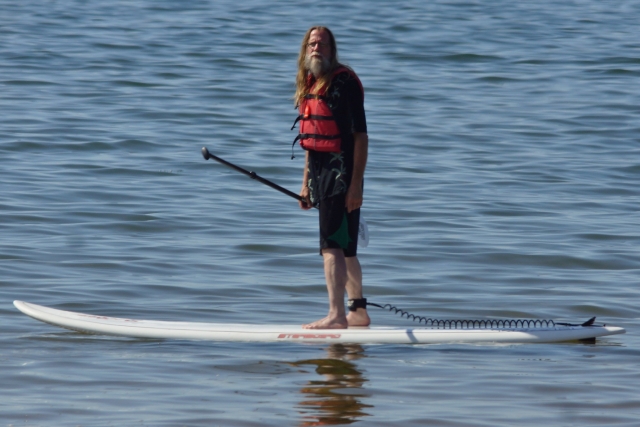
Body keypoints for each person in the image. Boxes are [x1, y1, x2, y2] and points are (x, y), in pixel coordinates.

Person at [293, 26, 370, 329]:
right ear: (305, 50)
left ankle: (336, 314)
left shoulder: (344, 83)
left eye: (322, 45)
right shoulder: (311, 84)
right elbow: (311, 141)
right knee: (346, 247)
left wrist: (355, 186)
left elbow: (361, 138)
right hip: (321, 176)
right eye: (312, 44)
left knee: (330, 247)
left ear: (332, 50)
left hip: (342, 175)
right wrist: (305, 185)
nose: (316, 49)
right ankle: (359, 311)